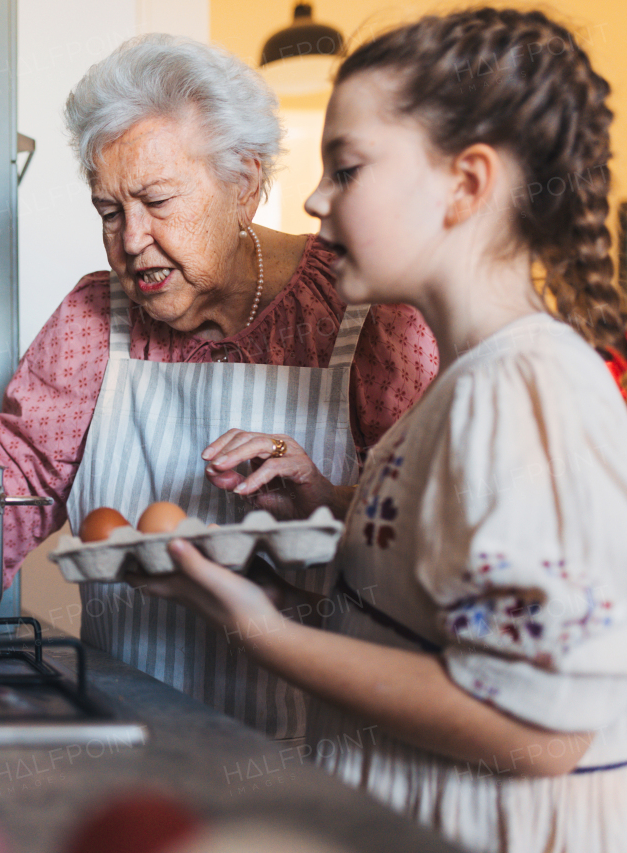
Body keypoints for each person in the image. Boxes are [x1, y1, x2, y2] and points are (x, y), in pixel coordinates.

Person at [129, 9, 627, 852]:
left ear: (466, 185)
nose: (317, 200)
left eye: (346, 168)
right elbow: (446, 613)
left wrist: (259, 628)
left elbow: (538, 727)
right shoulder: (468, 383)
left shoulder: (521, 387)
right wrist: (327, 516)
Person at [0, 34, 438, 741]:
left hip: (320, 753)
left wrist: (327, 497)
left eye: (157, 201)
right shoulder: (94, 318)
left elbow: (426, 544)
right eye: (109, 210)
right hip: (128, 734)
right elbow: (17, 485)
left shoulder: (368, 311)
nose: (130, 240)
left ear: (246, 183)